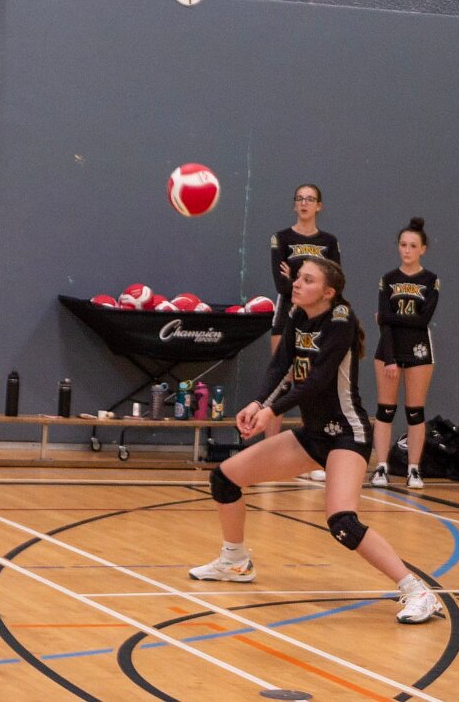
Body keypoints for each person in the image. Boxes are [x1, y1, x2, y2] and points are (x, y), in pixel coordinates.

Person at [188, 258, 441, 622]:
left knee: (342, 521)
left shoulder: (340, 321)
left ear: (328, 292)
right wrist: (258, 402)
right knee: (224, 479)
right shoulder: (297, 316)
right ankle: (235, 561)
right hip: (312, 435)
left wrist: (272, 411)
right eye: (299, 277)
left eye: (308, 280)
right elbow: (280, 367)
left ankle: (417, 591)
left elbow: (318, 380)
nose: (297, 283)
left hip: (346, 435)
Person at [267, 184, 340, 481]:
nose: (304, 203)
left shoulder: (329, 242)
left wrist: (295, 278)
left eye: (310, 199)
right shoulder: (282, 238)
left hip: (319, 320)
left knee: (314, 384)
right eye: (300, 198)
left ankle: (314, 459)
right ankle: (270, 459)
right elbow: (282, 286)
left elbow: (335, 284)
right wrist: (302, 285)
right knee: (280, 384)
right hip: (287, 316)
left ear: (319, 205)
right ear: (294, 204)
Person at [370, 217, 439, 489]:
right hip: (389, 349)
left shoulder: (430, 280)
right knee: (385, 410)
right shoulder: (388, 280)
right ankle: (380, 466)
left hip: (418, 349)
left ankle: (414, 469)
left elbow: (422, 320)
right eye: (403, 245)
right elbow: (384, 326)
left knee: (415, 411)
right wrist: (389, 358)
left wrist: (387, 316)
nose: (407, 250)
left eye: (412, 245)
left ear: (423, 249)